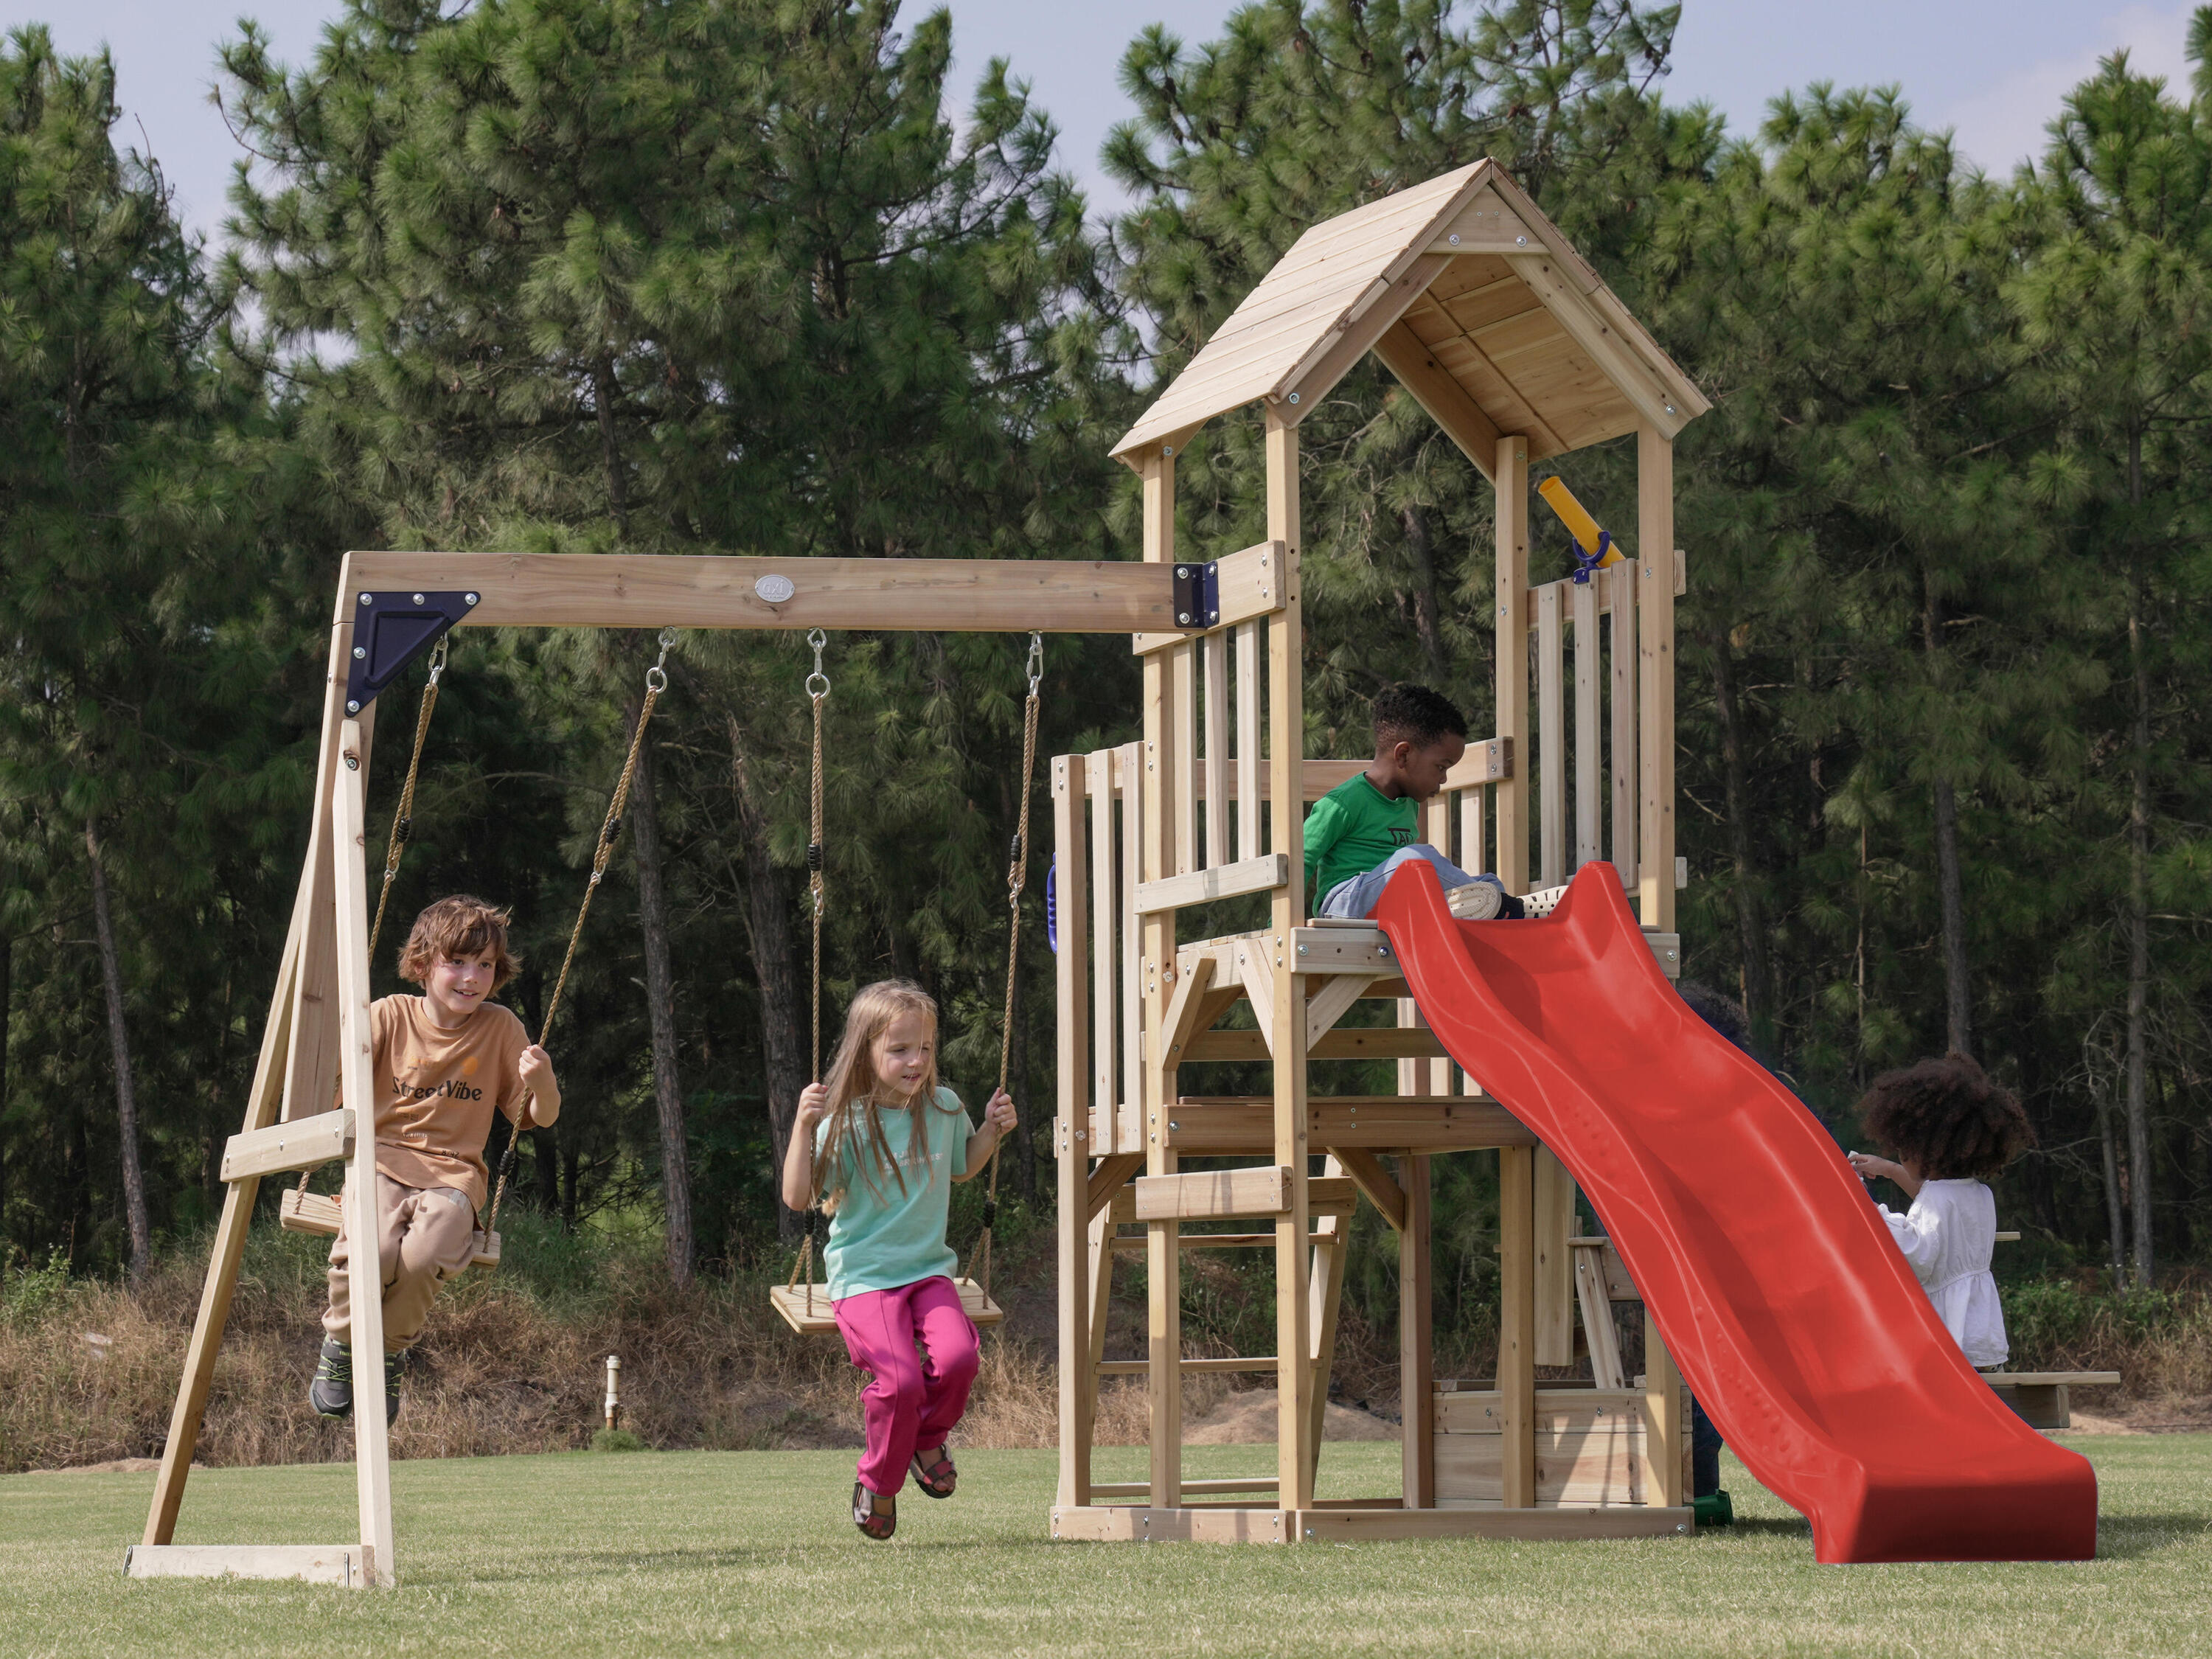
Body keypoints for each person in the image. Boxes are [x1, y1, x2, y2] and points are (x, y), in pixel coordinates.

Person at [779, 979, 1018, 1541]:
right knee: (900, 1381)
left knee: (959, 1359)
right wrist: (802, 1126)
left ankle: (927, 1438)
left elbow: (961, 1165)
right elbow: (797, 1198)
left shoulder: (942, 1106)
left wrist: (990, 1129)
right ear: (867, 1052)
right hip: (864, 1280)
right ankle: (879, 1482)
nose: (917, 1061)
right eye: (900, 1050)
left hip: (929, 1271)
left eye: (926, 1049)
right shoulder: (845, 1122)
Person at [310, 895, 560, 1422]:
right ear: (423, 965)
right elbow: (329, 1092)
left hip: (455, 1175)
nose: (472, 977)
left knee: (424, 1257)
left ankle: (388, 1350)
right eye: (458, 963)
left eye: (485, 965)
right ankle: (342, 1343)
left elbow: (536, 1116)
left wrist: (544, 1083)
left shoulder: (500, 1028)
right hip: (380, 1161)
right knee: (374, 1253)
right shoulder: (388, 1016)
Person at [1848, 1052, 2034, 1371]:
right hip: (1980, 1333)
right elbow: (1937, 1202)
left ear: (1927, 1150)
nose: (1901, 1157)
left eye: (1904, 1151)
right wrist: (1891, 1170)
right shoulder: (1978, 1193)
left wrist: (1865, 1205)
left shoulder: (1937, 1197)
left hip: (1950, 1334)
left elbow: (1917, 1254)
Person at [1304, 683, 1525, 921]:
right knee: (1416, 859)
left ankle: (1502, 909)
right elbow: (1301, 857)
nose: (1444, 778)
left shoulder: (1408, 802)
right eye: (1441, 767)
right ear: (1403, 755)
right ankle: (1504, 910)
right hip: (1345, 904)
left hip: (1395, 904)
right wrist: (1281, 925)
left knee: (1489, 882)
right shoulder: (1343, 803)